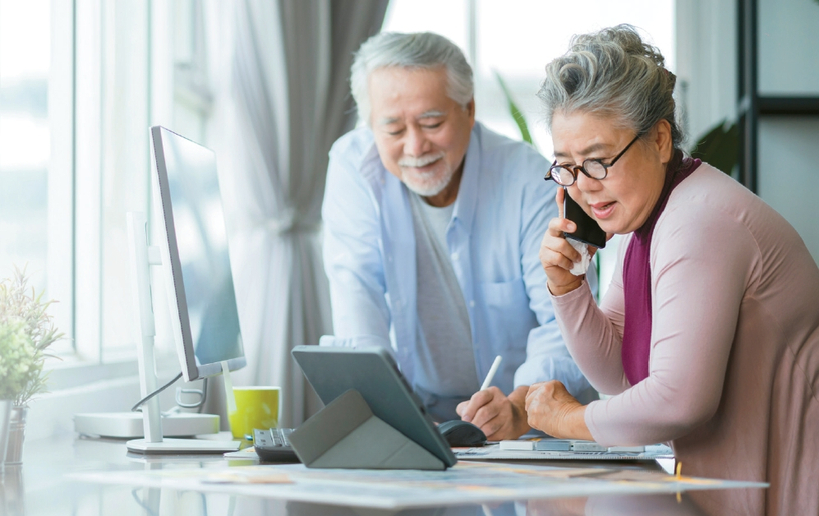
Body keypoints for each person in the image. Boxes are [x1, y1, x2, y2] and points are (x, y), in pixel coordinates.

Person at [527, 24, 819, 515]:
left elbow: (678, 400)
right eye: (566, 167)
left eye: (598, 161)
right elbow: (621, 378)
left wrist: (568, 418)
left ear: (660, 139)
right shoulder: (648, 220)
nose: (583, 187)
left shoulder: (698, 221)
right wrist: (569, 288)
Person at [321, 31, 596, 439]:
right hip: (417, 419)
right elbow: (356, 295)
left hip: (526, 422)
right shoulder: (352, 166)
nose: (415, 147)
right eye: (393, 130)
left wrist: (520, 406)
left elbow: (568, 322)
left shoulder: (528, 182)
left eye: (432, 123)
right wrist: (384, 406)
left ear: (469, 109)